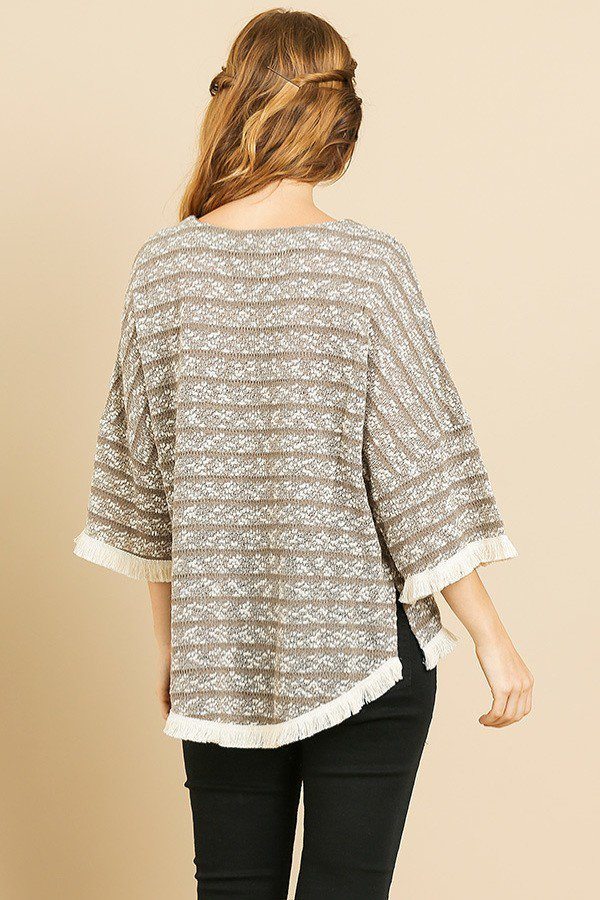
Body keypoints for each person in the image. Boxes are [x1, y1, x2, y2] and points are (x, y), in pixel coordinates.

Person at [73, 8, 533, 899]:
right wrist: (493, 638)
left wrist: (175, 646)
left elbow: (148, 484)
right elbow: (418, 476)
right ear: (338, 120)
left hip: (221, 652)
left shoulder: (164, 268)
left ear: (234, 101)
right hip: (365, 651)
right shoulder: (368, 266)